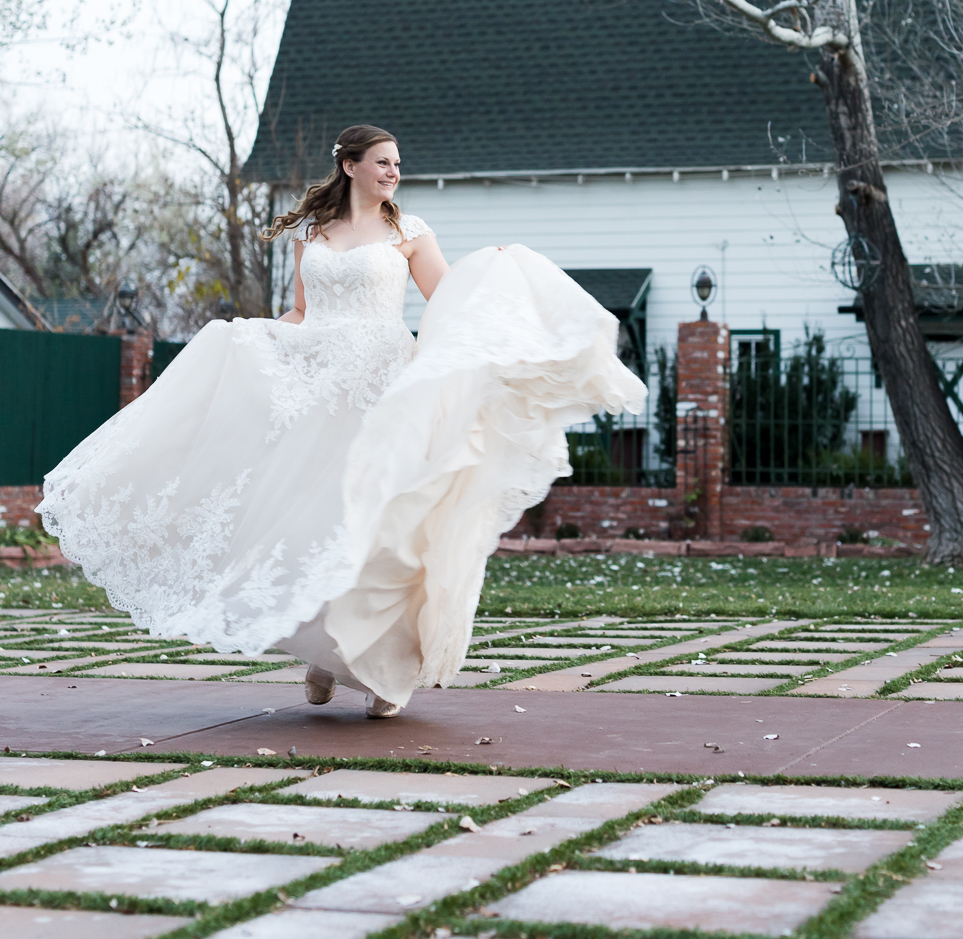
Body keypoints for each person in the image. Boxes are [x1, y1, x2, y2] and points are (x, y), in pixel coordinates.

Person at [40, 124, 646, 716]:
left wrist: (496, 269)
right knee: (311, 521)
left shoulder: (409, 231)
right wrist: (258, 340)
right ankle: (325, 655)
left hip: (383, 382)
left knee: (383, 523)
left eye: (399, 163)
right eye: (383, 161)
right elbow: (304, 311)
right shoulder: (312, 230)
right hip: (318, 383)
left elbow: (448, 297)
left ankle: (384, 669)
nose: (394, 171)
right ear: (351, 164)